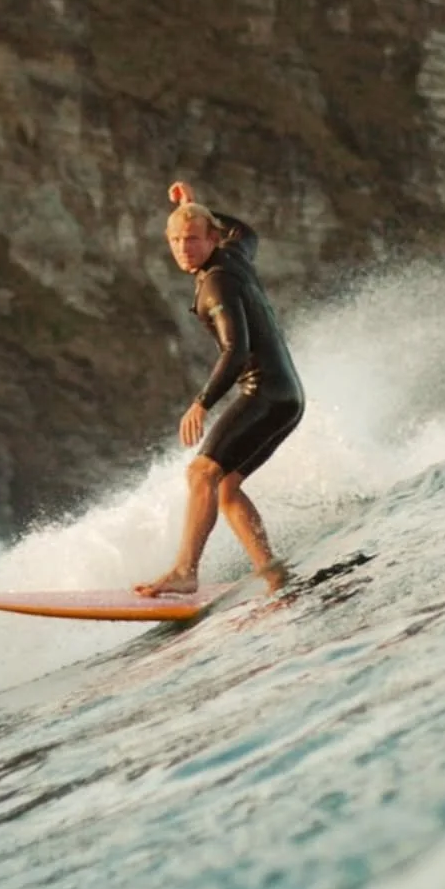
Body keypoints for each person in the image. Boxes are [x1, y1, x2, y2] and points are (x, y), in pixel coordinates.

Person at [135, 181, 305, 596]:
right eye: (175, 240)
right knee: (226, 486)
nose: (183, 248)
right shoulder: (235, 255)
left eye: (192, 239)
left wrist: (201, 403)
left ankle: (184, 571)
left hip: (264, 393)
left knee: (201, 473)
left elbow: (236, 349)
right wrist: (194, 206)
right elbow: (247, 231)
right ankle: (273, 573)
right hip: (289, 397)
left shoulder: (217, 283)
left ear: (211, 239)